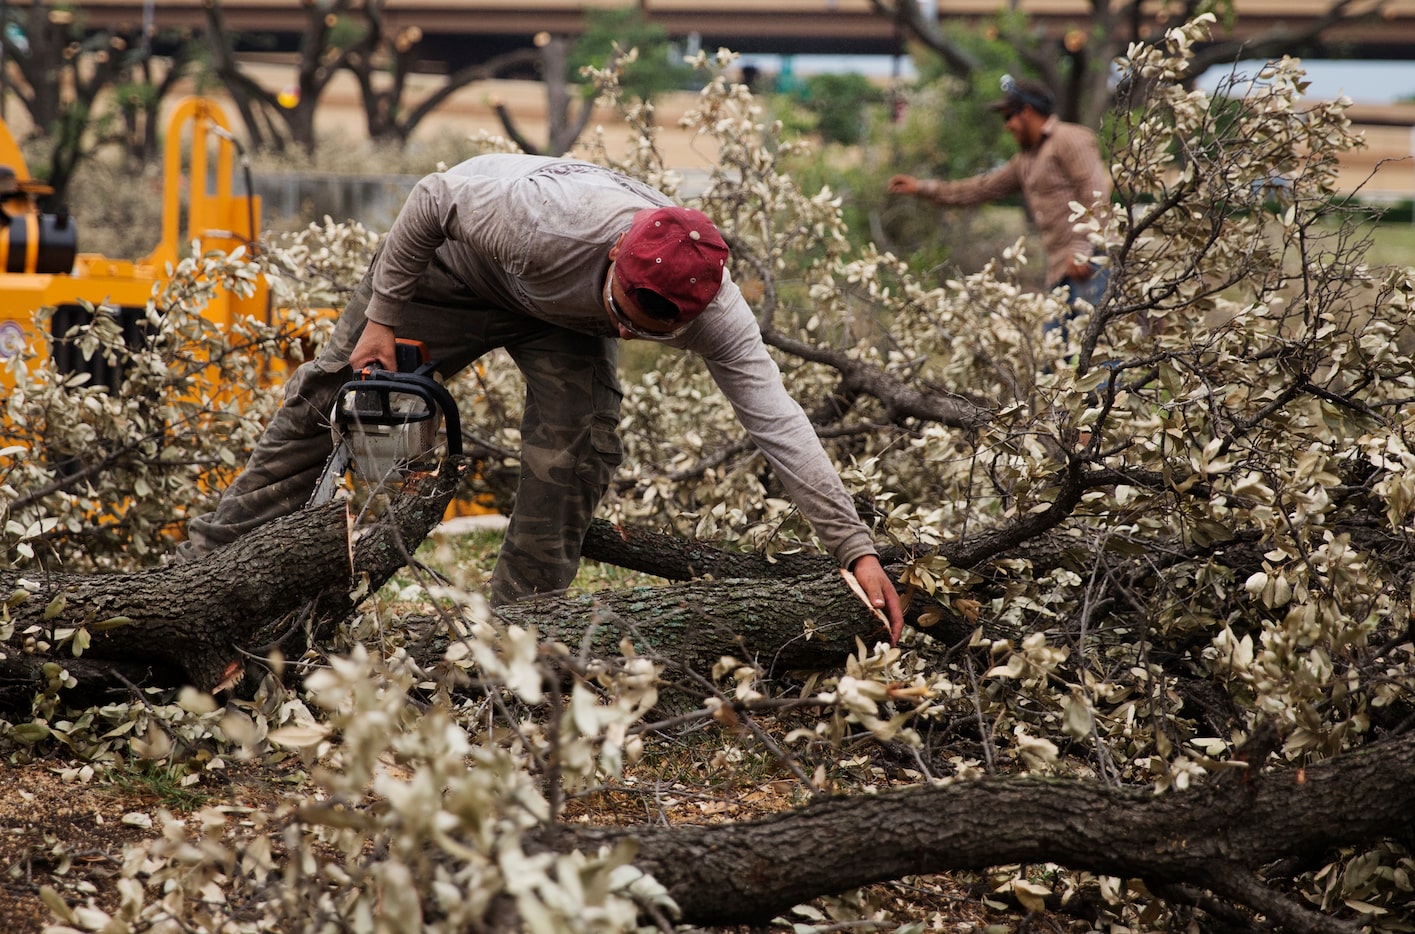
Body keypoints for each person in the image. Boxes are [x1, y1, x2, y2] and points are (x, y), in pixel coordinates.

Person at [181, 153, 906, 641]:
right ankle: (196, 584)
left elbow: (777, 421)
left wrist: (854, 549)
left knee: (579, 448)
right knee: (328, 408)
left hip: (556, 317)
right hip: (450, 273)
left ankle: (520, 633)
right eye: (620, 310)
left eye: (639, 331)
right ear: (618, 257)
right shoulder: (540, 218)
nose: (620, 329)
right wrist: (381, 321)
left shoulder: (718, 316)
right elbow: (431, 199)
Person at [888, 75, 1112, 319]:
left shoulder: (1070, 139)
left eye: (1009, 116)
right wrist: (922, 188)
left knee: (1103, 349)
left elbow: (1096, 192)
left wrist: (1083, 248)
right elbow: (980, 188)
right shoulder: (1025, 161)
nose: (1007, 126)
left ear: (1027, 112)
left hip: (1092, 263)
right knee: (1054, 353)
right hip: (1060, 270)